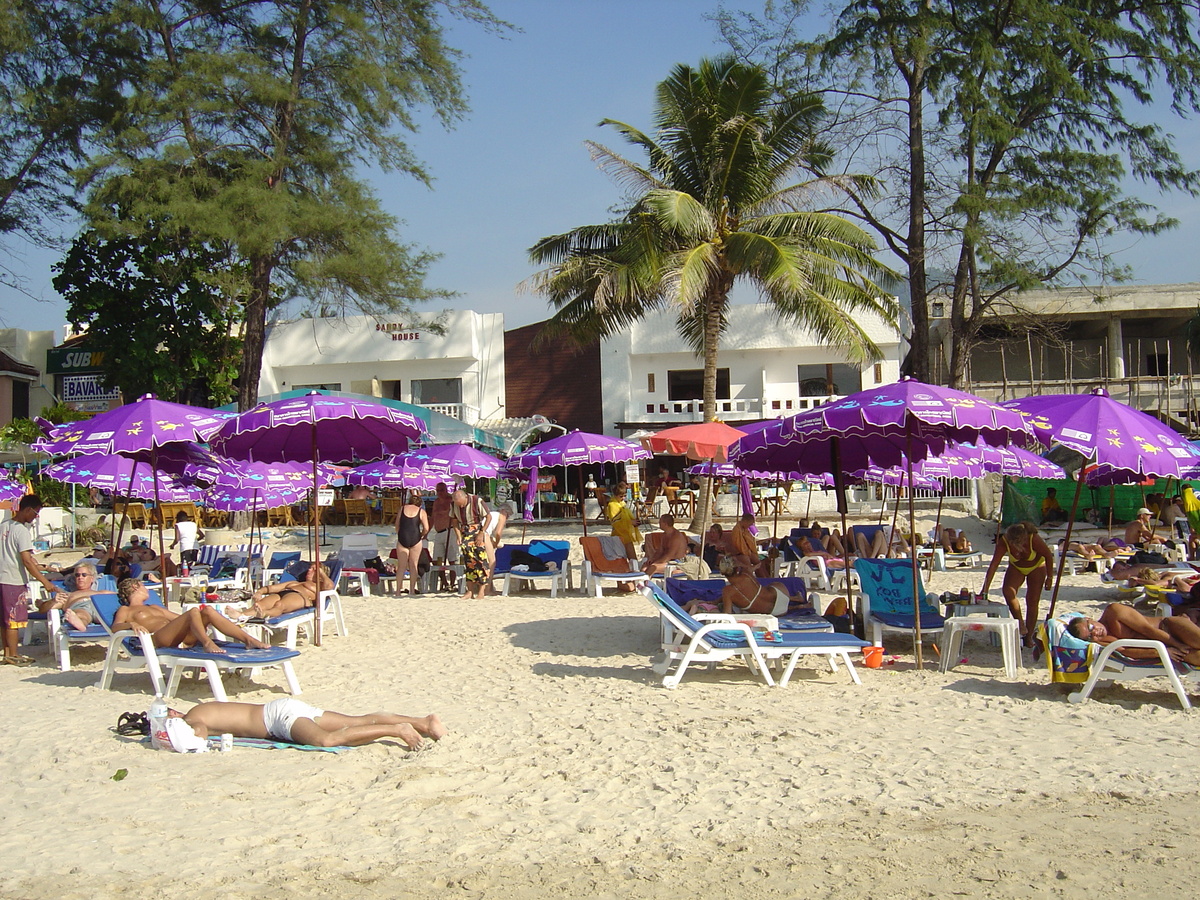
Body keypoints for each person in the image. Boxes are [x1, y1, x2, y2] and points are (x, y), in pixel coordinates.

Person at [177, 699, 447, 749]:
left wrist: (179, 733)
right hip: (283, 707)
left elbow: (197, 734)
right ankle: (424, 722)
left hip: (279, 720)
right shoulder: (201, 707)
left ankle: (397, 730)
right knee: (358, 720)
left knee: (327, 740)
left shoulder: (193, 717)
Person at [112, 578, 268, 652]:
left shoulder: (154, 606)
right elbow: (115, 627)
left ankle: (249, 640)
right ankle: (207, 643)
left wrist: (207, 619)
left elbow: (177, 619)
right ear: (135, 586)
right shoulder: (126, 610)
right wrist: (131, 624)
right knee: (193, 611)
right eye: (143, 586)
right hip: (157, 639)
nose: (146, 589)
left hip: (179, 636)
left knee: (206, 610)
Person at [0, 495, 65, 665]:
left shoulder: (3, 526)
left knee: (4, 619)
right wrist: (46, 582)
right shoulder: (21, 531)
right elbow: (27, 560)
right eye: (36, 513)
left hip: (2, 576)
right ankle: (13, 654)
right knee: (13, 619)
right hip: (13, 579)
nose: (35, 518)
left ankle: (7, 652)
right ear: (28, 509)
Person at [981, 522, 1055, 646]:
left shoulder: (1033, 538)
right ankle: (1020, 623)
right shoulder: (1004, 541)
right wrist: (985, 589)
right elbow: (994, 564)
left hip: (1037, 567)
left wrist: (1050, 577)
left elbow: (1048, 555)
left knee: (1032, 600)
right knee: (1008, 592)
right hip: (1016, 567)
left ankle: (1029, 636)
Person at [1068, 603, 1200, 665]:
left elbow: (1147, 629)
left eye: (1091, 627)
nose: (1095, 632)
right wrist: (1162, 651)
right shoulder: (1102, 640)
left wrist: (1176, 644)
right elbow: (1126, 651)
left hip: (1169, 627)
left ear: (1088, 618)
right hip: (1165, 646)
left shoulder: (1114, 612)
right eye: (1090, 636)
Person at [236, 563, 334, 619]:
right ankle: (240, 615)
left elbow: (330, 586)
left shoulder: (319, 586)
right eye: (309, 568)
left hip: (300, 597)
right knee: (259, 605)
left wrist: (321, 572)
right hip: (283, 593)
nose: (309, 570)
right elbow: (272, 588)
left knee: (280, 605)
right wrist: (259, 592)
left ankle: (265, 613)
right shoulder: (294, 582)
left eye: (313, 569)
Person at [36, 562, 113, 630]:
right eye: (77, 575)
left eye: (84, 575)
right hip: (82, 606)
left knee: (107, 614)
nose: (80, 577)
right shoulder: (68, 595)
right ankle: (80, 623)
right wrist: (53, 601)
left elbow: (119, 597)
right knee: (82, 614)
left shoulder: (101, 592)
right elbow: (42, 610)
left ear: (92, 578)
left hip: (100, 605)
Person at [451, 489, 492, 599]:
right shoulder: (454, 505)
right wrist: (458, 536)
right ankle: (469, 591)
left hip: (477, 530)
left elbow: (488, 517)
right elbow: (454, 521)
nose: (460, 506)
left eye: (461, 504)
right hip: (465, 531)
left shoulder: (476, 501)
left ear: (465, 498)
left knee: (480, 560)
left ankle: (482, 590)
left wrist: (481, 533)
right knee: (468, 561)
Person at [718, 569, 805, 616]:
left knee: (744, 606)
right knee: (765, 592)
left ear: (722, 573)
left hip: (777, 612)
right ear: (736, 568)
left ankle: (797, 606)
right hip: (782, 593)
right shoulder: (746, 574)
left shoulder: (727, 591)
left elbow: (727, 614)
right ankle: (795, 599)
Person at [394, 489, 430, 595]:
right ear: (419, 504)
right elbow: (426, 528)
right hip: (415, 538)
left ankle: (397, 591)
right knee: (413, 565)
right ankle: (411, 590)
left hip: (403, 537)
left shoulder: (402, 509)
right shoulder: (421, 511)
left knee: (401, 566)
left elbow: (397, 525)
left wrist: (399, 534)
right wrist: (422, 535)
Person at [427, 482, 458, 590]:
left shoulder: (451, 501)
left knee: (452, 559)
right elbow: (432, 518)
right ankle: (445, 583)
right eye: (438, 490)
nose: (440, 493)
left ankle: (453, 583)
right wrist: (426, 532)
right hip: (438, 533)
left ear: (446, 490)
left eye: (442, 490)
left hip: (450, 531)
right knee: (437, 560)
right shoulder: (436, 502)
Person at [605, 481, 641, 559]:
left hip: (626, 533)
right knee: (622, 558)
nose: (623, 498)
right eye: (621, 496)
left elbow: (627, 517)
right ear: (615, 495)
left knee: (632, 558)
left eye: (624, 496)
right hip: (618, 534)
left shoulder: (622, 504)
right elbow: (615, 522)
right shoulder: (612, 505)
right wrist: (630, 522)